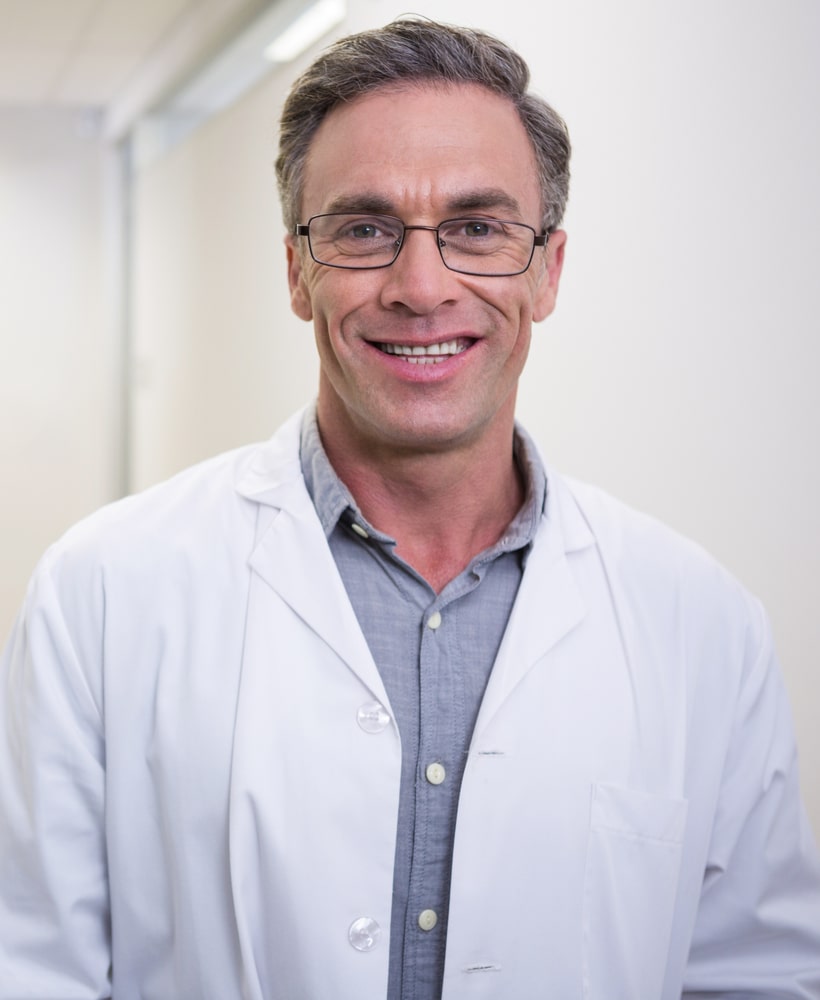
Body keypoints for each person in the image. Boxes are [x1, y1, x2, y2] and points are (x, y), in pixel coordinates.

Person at [1, 16, 819, 1000]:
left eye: (477, 228)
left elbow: (755, 976)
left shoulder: (701, 624)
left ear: (547, 271)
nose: (422, 286)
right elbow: (32, 968)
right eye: (363, 229)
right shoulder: (102, 591)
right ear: (298, 272)